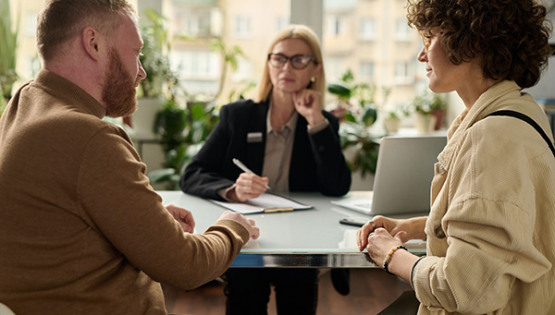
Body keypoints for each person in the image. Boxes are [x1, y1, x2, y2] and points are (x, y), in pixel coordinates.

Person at [0, 1, 259, 314]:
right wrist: (233, 226)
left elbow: (55, 216)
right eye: (135, 53)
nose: (142, 72)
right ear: (93, 43)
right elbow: (186, 266)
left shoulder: (26, 100)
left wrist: (141, 217)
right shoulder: (88, 137)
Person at [357, 0, 555, 314]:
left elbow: (465, 289)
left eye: (430, 38)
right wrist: (414, 227)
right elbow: (506, 232)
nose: (421, 55)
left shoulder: (492, 137)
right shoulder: (520, 113)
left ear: (472, 41)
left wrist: (391, 254)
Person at [180, 24, 351, 314]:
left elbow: (337, 186)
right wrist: (232, 190)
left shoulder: (323, 123)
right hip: (250, 234)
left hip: (301, 239)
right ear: (269, 64)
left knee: (297, 298)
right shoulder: (238, 116)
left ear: (316, 69)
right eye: (279, 58)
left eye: (299, 60)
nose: (287, 67)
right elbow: (192, 172)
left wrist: (315, 123)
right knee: (245, 297)